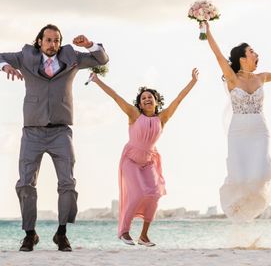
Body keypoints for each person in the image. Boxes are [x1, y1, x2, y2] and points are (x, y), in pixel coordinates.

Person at [0, 24, 108, 252]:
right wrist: (6, 65)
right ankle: (30, 234)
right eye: (48, 40)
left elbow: (101, 59)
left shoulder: (72, 56)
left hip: (61, 131)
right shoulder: (26, 56)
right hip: (32, 131)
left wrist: (89, 44)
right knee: (25, 183)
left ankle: (61, 233)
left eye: (56, 40)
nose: (53, 44)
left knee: (67, 183)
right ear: (39, 41)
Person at [203, 20, 271, 221]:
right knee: (239, 175)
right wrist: (207, 31)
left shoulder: (261, 77)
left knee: (259, 174)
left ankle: (252, 206)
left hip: (260, 130)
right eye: (252, 51)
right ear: (242, 57)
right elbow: (217, 55)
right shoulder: (231, 78)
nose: (256, 54)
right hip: (238, 131)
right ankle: (235, 207)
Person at [89, 68, 199, 246]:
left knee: (154, 194)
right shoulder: (134, 114)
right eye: (143, 98)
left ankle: (144, 235)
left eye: (150, 97)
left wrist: (192, 82)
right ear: (139, 104)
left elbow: (179, 99)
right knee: (138, 193)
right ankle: (124, 231)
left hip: (148, 161)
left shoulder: (163, 118)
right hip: (130, 160)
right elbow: (115, 96)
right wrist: (97, 80)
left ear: (156, 102)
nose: (147, 99)